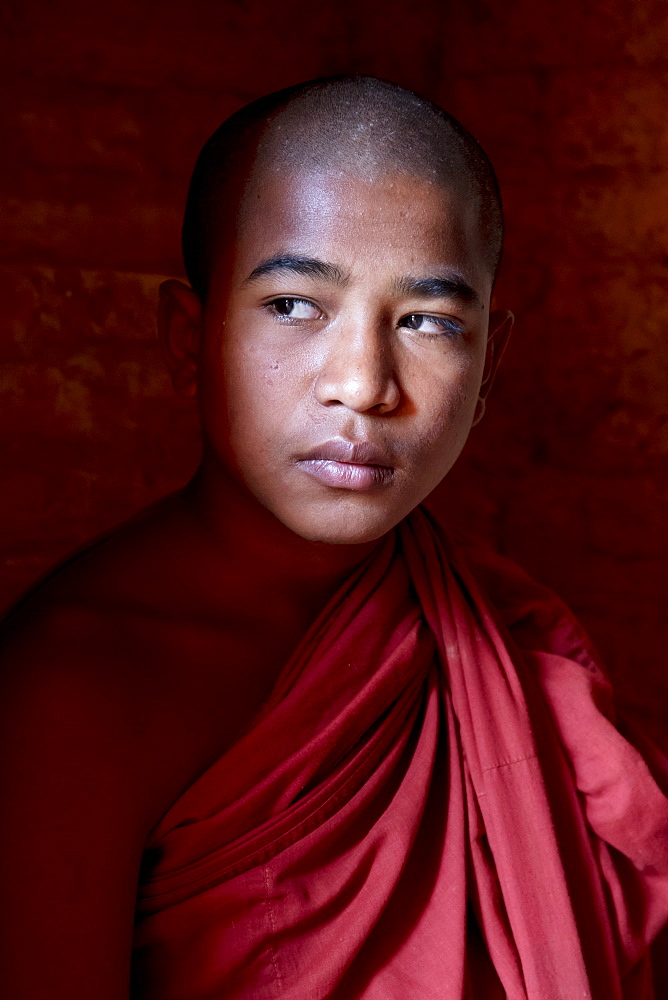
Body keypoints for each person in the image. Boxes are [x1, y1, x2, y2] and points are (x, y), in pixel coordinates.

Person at [0, 75, 666, 1000]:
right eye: (292, 306)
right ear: (188, 338)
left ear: (490, 369)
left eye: (429, 322)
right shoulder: (73, 688)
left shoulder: (499, 641)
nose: (363, 383)